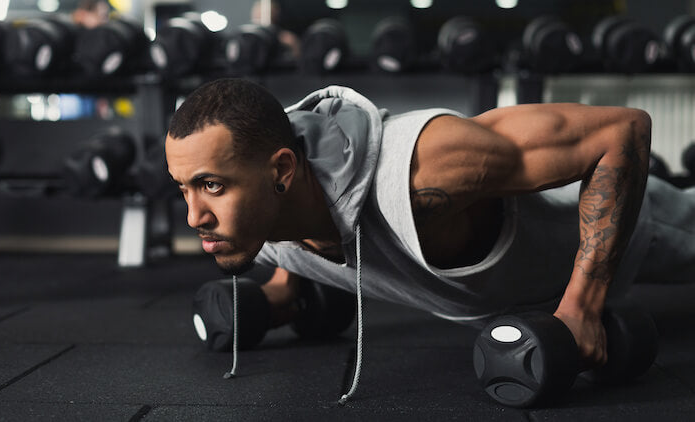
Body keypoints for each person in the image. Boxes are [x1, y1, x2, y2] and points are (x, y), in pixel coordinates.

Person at [165, 78, 695, 377]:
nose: (194, 217)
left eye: (212, 186)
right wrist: (281, 295)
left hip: (641, 231)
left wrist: (582, 308)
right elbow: (312, 247)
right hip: (518, 294)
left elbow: (621, 131)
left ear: (281, 170)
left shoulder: (424, 168)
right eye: (183, 187)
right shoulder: (253, 221)